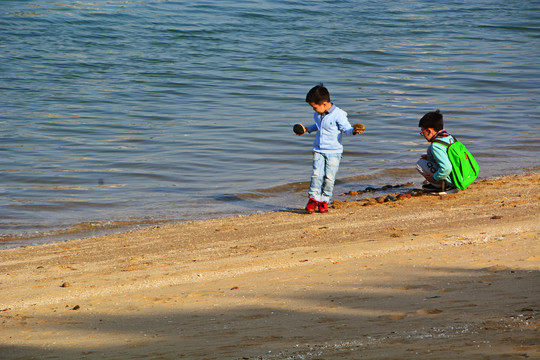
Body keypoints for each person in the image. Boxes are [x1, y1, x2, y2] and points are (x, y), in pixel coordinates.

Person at [295, 84, 364, 213]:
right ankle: (313, 199)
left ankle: (324, 200)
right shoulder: (318, 114)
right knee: (316, 174)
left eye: (315, 107)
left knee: (329, 177)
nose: (314, 110)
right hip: (319, 150)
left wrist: (354, 131)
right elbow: (318, 125)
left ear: (325, 103)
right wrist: (306, 129)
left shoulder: (339, 114)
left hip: (334, 152)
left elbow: (346, 129)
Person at [416, 110, 459, 195]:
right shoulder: (449, 137)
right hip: (458, 175)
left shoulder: (436, 146)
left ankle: (442, 186)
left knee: (419, 163)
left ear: (429, 131)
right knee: (430, 151)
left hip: (452, 180)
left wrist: (434, 177)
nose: (423, 135)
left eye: (422, 132)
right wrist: (430, 156)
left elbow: (447, 168)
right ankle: (445, 184)